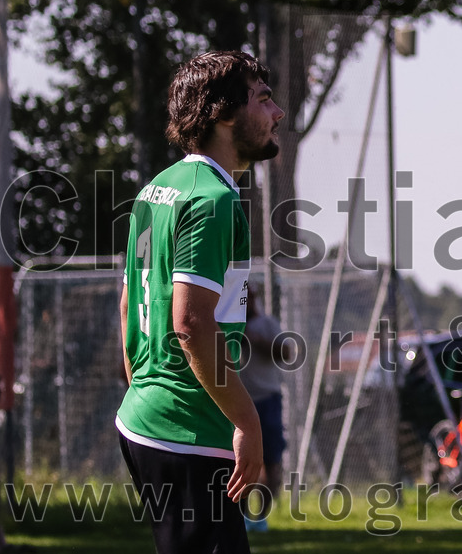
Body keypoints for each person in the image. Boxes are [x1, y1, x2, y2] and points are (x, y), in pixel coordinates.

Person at [117, 50, 285, 554]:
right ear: (225, 113)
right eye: (263, 98)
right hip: (186, 430)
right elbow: (190, 323)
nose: (276, 112)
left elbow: (129, 305)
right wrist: (246, 422)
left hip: (150, 418)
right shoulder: (213, 198)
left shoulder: (157, 189)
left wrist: (147, 390)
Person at [238, 285, 292, 532]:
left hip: (267, 400)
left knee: (270, 460)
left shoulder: (267, 324)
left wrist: (253, 339)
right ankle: (242, 516)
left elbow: (285, 352)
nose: (245, 301)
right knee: (238, 461)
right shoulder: (226, 325)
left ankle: (261, 518)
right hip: (237, 402)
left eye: (248, 297)